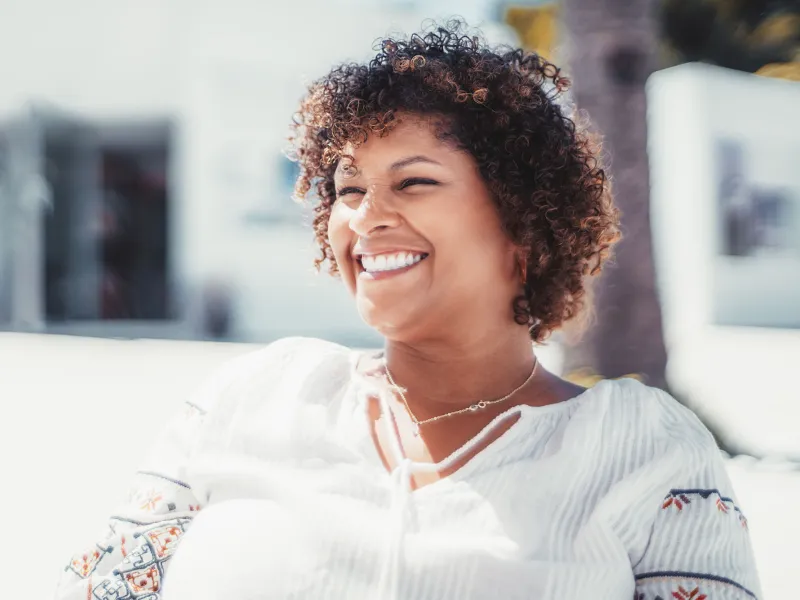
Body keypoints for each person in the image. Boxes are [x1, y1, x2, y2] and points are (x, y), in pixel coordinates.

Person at [55, 22, 762, 600]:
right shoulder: (253, 398)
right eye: (348, 188)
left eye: (414, 181)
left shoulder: (640, 449)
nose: (365, 218)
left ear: (525, 225)